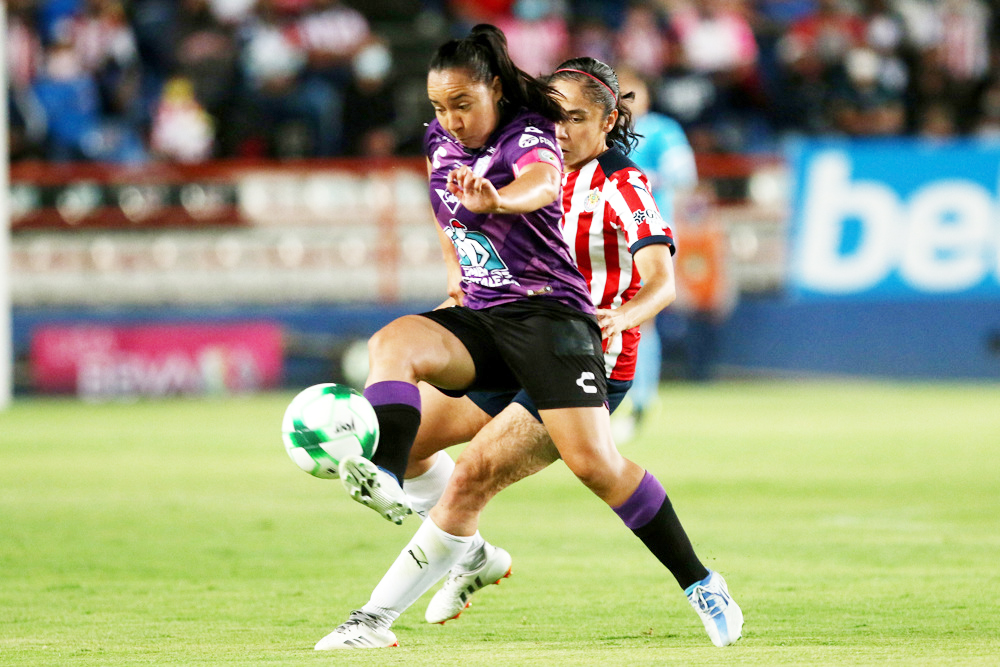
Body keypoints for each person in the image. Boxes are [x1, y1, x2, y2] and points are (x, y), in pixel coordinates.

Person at [313, 38, 742, 649]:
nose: (559, 130)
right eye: (553, 115)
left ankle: (701, 582)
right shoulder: (512, 150)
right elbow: (453, 209)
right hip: (510, 333)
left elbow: (662, 281)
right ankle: (469, 556)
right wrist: (462, 280)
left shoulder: (621, 184)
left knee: (561, 471)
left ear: (608, 121)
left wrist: (621, 316)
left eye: (576, 118)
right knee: (407, 445)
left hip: (584, 351)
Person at [615, 68, 697, 427]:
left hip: (649, 235)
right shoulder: (606, 134)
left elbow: (685, 175)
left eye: (634, 93)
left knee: (641, 316)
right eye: (622, 95)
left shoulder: (663, 131)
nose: (629, 102)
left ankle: (641, 399)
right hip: (608, 235)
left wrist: (636, 178)